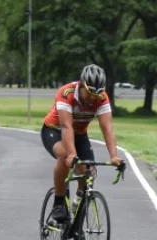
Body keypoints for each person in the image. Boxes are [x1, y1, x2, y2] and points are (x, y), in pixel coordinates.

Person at [41, 64, 123, 224]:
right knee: (65, 155)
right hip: (55, 130)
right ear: (81, 85)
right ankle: (58, 202)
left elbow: (107, 128)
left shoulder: (102, 97)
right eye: (90, 93)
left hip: (80, 134)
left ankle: (76, 228)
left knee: (88, 174)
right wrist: (72, 154)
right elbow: (66, 126)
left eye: (97, 94)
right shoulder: (67, 93)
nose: (93, 98)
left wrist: (114, 156)